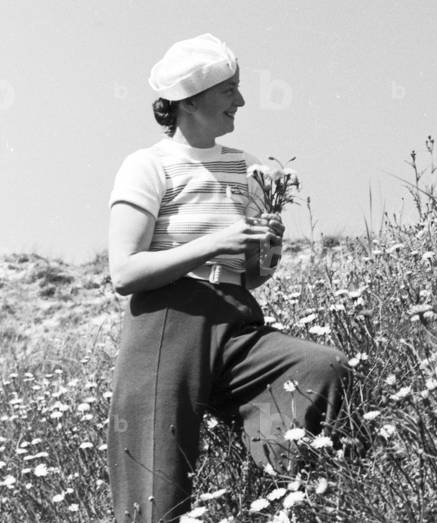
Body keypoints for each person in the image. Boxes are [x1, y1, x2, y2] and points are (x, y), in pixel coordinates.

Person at [106, 34, 347, 523]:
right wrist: (213, 244)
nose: (240, 101)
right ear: (190, 100)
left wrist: (265, 255)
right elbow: (124, 270)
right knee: (157, 478)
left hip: (236, 316)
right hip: (166, 324)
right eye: (229, 90)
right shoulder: (149, 166)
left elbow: (250, 275)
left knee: (319, 368)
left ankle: (277, 498)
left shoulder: (246, 167)